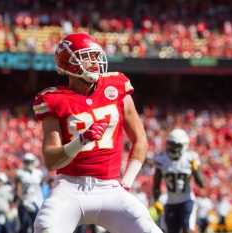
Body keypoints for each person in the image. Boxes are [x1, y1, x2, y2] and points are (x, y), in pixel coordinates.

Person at [32, 32, 162, 233]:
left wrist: (126, 183)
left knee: (149, 229)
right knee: (45, 228)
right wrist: (81, 140)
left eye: (95, 55)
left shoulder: (116, 86)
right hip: (69, 186)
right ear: (68, 64)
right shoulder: (53, 99)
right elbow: (51, 160)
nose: (94, 61)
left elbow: (140, 140)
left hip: (109, 188)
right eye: (86, 56)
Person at [153, 129, 205, 233]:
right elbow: (156, 185)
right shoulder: (162, 160)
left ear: (184, 145)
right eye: (172, 145)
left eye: (177, 145)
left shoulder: (190, 158)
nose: (174, 148)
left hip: (187, 200)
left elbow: (201, 184)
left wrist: (195, 170)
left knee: (187, 228)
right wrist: (156, 201)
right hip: (170, 202)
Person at [15, 153, 44, 233]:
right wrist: (24, 202)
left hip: (37, 202)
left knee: (37, 225)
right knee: (25, 224)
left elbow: (40, 187)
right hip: (24, 202)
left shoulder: (38, 173)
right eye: (26, 161)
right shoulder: (20, 173)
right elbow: (18, 191)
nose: (28, 163)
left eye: (29, 161)